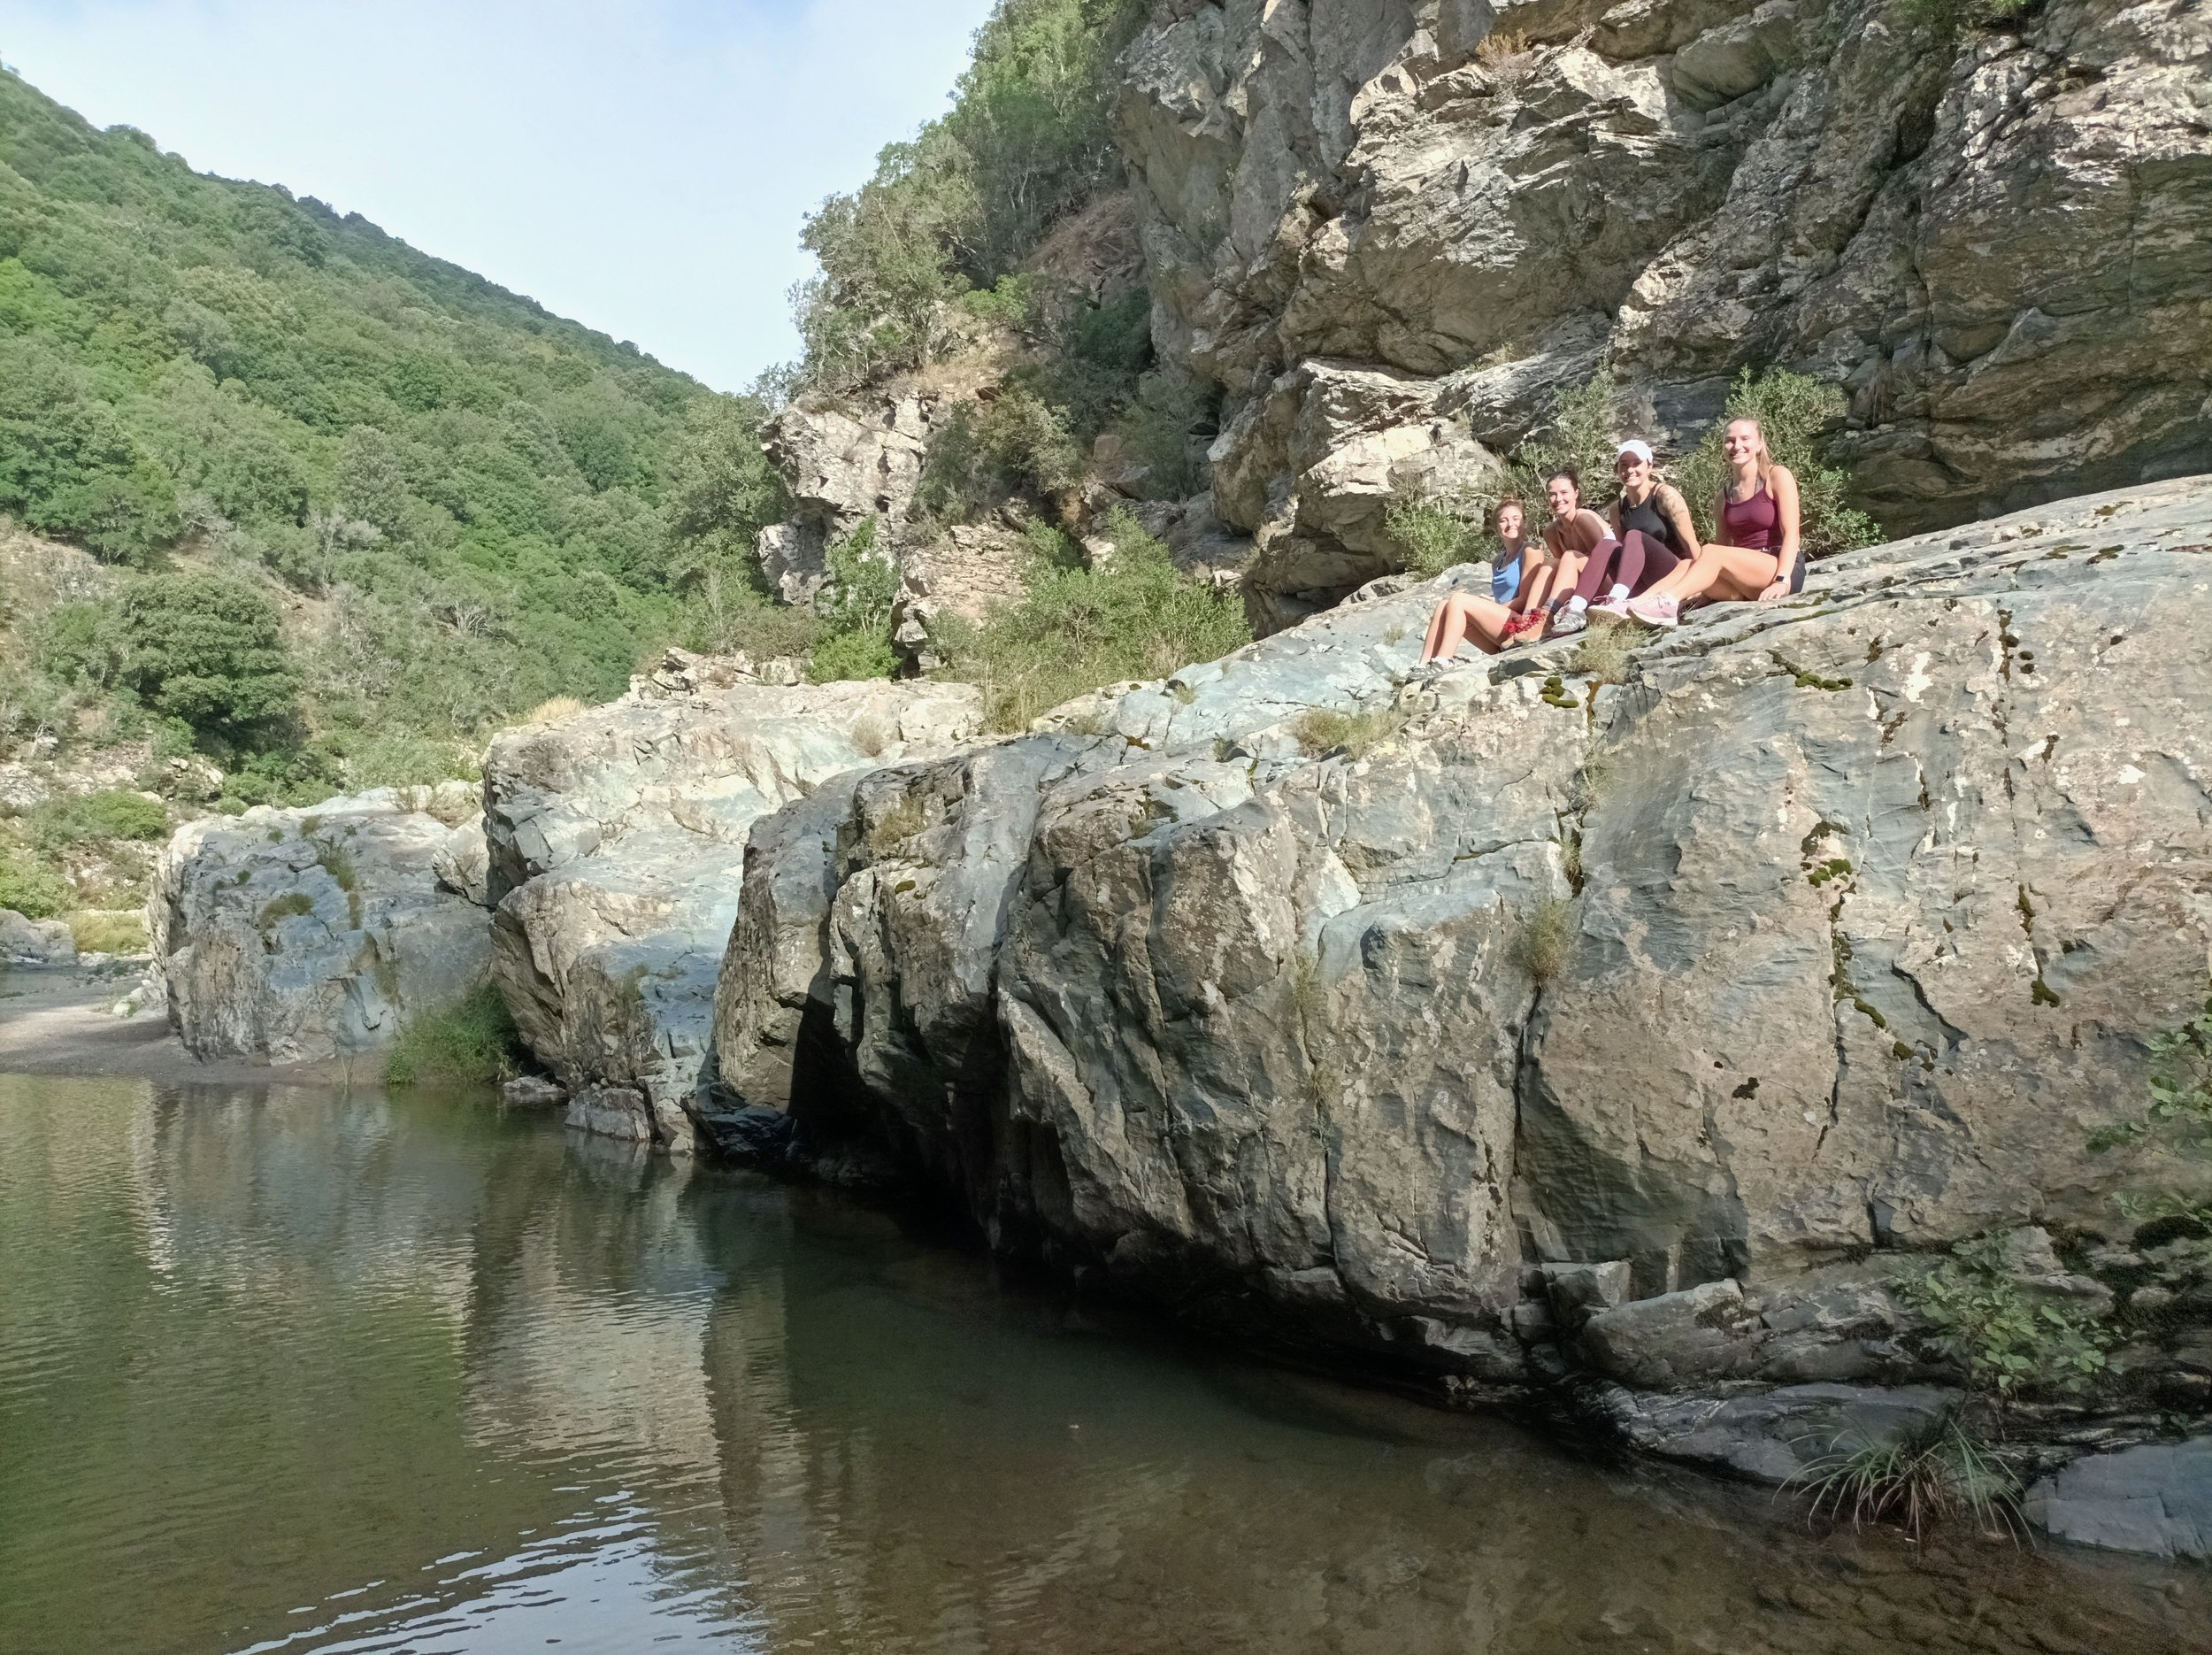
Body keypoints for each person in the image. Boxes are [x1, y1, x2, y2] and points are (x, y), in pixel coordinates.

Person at [1626, 418, 1802, 627]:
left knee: (1710, 551)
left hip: (1778, 569)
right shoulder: (1723, 496)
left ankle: (1668, 601)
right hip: (1744, 582)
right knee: (1688, 564)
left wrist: (1781, 580)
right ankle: (1630, 605)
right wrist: (1705, 590)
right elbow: (1722, 549)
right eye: (1729, 441)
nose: (1736, 446)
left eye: (1745, 439)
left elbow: (1792, 533)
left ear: (1759, 443)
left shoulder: (1777, 476)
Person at [1551, 440, 1699, 630]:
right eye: (1624, 465)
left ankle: (1617, 600)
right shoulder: (1617, 509)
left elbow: (1691, 544)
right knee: (1607, 544)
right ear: (1617, 470)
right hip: (1642, 585)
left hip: (1674, 575)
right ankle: (1577, 609)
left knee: (1634, 536)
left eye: (1636, 463)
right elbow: (1623, 556)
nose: (1630, 470)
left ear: (1649, 466)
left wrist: (1701, 587)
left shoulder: (1665, 496)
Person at [1502, 469, 1613, 643]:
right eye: (1552, 495)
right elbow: (1564, 574)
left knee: (1569, 556)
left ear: (1576, 494)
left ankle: (1547, 618)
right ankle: (1529, 621)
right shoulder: (1551, 532)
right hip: (1581, 591)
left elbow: (1605, 562)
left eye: (1564, 493)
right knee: (1550, 563)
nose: (1558, 499)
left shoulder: (1584, 518)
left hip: (1608, 584)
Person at [1417, 498, 1529, 665]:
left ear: (1524, 523)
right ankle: (1423, 664)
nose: (1510, 524)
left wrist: (1492, 609)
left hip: (1519, 625)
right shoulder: (1497, 561)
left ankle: (1443, 660)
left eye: (1515, 518)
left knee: (1459, 600)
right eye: (1503, 520)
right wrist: (1492, 604)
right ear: (1497, 528)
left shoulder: (1529, 551)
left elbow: (1525, 599)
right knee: (1444, 605)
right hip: (1499, 629)